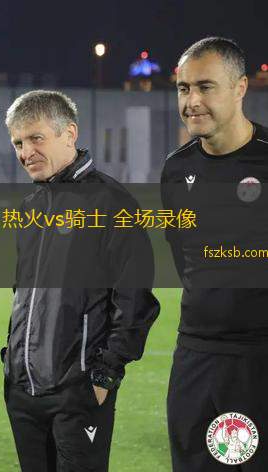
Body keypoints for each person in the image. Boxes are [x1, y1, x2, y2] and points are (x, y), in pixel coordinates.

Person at [2, 90, 160, 471]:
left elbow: (134, 299)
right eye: (18, 143)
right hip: (23, 391)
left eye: (36, 138)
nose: (26, 153)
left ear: (69, 133)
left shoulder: (111, 203)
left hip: (79, 392)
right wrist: (12, 362)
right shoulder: (29, 208)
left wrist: (106, 373)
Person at [162, 37, 268, 471]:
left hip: (259, 358)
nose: (192, 101)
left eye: (205, 87)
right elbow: (181, 255)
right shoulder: (176, 168)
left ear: (240, 87)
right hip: (195, 355)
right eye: (184, 88)